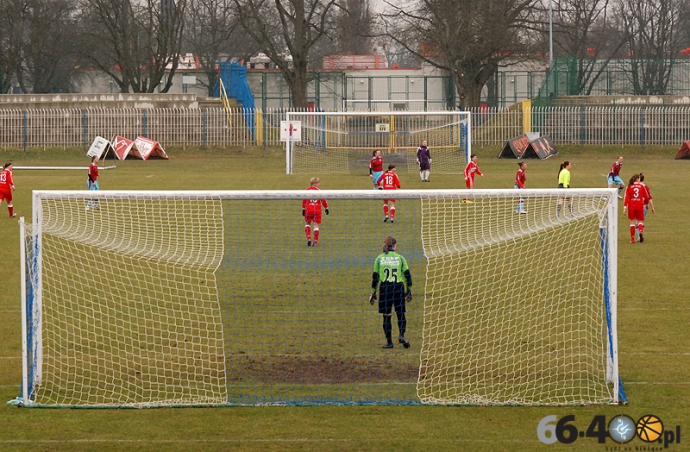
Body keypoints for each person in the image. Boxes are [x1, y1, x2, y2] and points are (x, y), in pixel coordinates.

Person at [370, 236, 412, 349]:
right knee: (401, 313)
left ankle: (389, 342)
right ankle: (401, 335)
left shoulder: (379, 258)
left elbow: (375, 277)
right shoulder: (400, 258)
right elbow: (408, 275)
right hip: (398, 288)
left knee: (386, 316)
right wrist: (409, 290)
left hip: (385, 289)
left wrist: (373, 292)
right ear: (395, 245)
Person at [623, 174, 651, 244]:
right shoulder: (641, 186)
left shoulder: (629, 187)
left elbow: (626, 198)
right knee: (640, 221)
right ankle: (641, 232)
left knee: (632, 222)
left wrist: (624, 208)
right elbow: (647, 197)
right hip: (639, 205)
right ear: (637, 179)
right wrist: (646, 204)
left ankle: (632, 239)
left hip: (631, 206)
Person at [302, 177, 329, 247]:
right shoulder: (319, 191)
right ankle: (315, 242)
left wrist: (303, 209)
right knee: (316, 225)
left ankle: (308, 238)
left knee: (307, 223)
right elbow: (323, 200)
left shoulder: (307, 190)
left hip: (308, 209)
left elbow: (304, 200)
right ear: (316, 184)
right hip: (317, 210)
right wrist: (326, 208)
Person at [636, 173, 655, 241]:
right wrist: (652, 207)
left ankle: (639, 236)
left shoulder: (635, 187)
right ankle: (641, 232)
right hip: (645, 206)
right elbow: (649, 198)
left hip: (637, 205)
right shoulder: (646, 187)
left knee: (636, 221)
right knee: (641, 220)